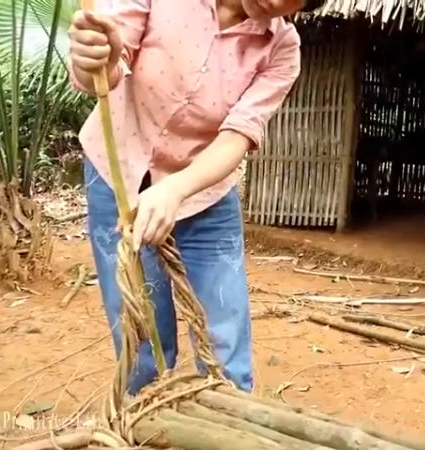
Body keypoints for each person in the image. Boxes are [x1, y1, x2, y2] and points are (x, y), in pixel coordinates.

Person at [67, 0, 320, 395]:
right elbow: (104, 71)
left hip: (205, 195)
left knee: (224, 333)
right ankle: (146, 413)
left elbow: (236, 138)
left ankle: (230, 417)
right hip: (117, 170)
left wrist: (175, 189)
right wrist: (96, 58)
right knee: (139, 321)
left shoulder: (282, 49)